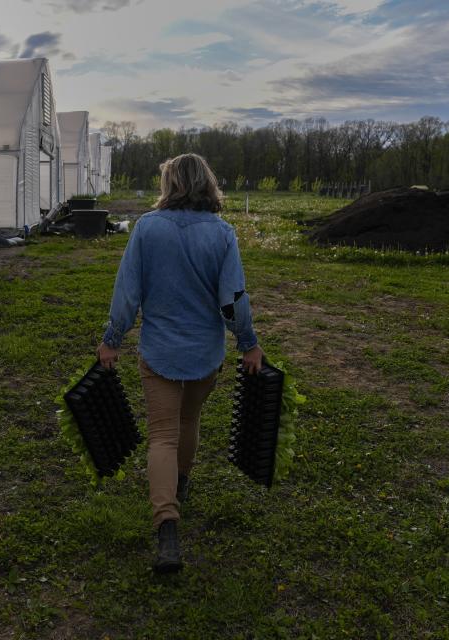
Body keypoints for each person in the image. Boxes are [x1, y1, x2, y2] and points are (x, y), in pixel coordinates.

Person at [96, 153, 263, 573]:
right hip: (205, 353)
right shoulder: (223, 234)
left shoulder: (147, 229)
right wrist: (249, 344)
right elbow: (234, 299)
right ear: (207, 184)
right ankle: (181, 482)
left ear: (170, 184)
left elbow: (127, 291)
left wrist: (112, 339)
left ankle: (167, 525)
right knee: (188, 423)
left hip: (159, 352)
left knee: (162, 435)